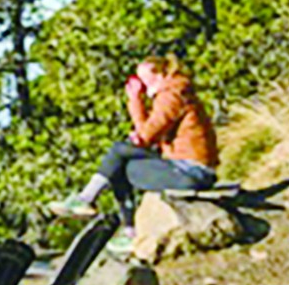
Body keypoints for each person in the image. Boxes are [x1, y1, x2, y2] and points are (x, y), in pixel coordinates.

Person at [45, 53, 218, 218]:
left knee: (119, 154)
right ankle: (125, 226)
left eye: (144, 78)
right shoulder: (174, 93)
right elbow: (150, 134)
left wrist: (135, 100)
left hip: (191, 171)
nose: (142, 84)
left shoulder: (172, 96)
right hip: (187, 167)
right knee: (121, 161)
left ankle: (87, 199)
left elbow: (146, 136)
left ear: (159, 75)